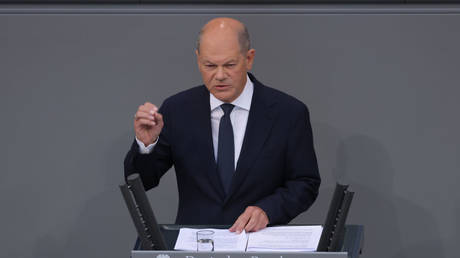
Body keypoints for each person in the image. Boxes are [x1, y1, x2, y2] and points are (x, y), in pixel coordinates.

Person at [124, 17, 320, 233]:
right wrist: (146, 144)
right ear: (198, 60)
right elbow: (143, 182)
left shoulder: (288, 113)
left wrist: (268, 210)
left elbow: (305, 183)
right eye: (209, 65)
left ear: (249, 58)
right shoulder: (177, 109)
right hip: (196, 247)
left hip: (259, 244)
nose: (219, 76)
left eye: (229, 65)